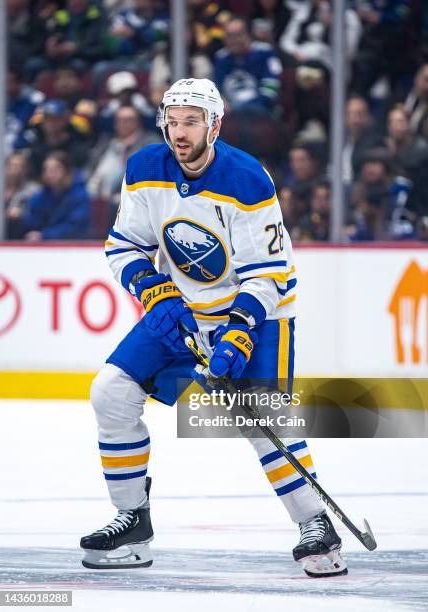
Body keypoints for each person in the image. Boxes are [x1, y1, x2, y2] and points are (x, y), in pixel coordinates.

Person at [80, 78, 347, 577]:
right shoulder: (142, 169)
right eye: (172, 122)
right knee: (111, 393)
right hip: (183, 308)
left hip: (257, 311)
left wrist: (240, 330)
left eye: (191, 123)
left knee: (262, 419)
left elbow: (270, 273)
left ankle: (317, 525)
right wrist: (154, 291)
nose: (179, 134)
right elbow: (124, 246)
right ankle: (132, 520)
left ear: (214, 125)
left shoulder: (247, 178)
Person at [17, 151, 91, 241]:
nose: (49, 174)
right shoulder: (41, 195)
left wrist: (44, 235)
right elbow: (35, 220)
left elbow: (75, 227)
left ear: (67, 171)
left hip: (74, 246)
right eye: (46, 170)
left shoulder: (80, 196)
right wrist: (21, 217)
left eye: (55, 170)